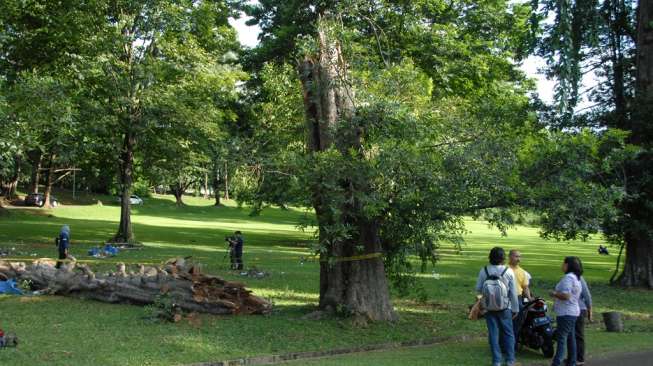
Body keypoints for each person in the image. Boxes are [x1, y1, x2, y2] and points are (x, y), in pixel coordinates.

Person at [475, 247, 520, 366]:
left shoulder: (484, 270)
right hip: (505, 308)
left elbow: (478, 289)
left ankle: (496, 361)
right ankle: (510, 360)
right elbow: (513, 293)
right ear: (503, 258)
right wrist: (515, 309)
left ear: (490, 257)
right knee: (509, 333)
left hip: (489, 308)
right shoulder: (508, 271)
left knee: (493, 334)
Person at [550, 256, 582, 366]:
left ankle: (557, 362)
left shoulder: (568, 278)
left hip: (566, 312)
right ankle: (572, 361)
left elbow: (566, 295)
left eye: (563, 263)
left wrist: (554, 294)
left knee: (562, 338)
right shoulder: (576, 278)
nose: (562, 265)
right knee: (570, 337)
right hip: (572, 311)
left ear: (568, 265)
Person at [567, 258, 592, 366]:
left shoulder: (579, 279)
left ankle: (579, 358)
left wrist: (590, 310)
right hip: (573, 309)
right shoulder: (571, 278)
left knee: (578, 334)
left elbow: (587, 296)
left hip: (579, 309)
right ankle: (572, 357)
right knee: (572, 334)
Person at [508, 249, 532, 351]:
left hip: (518, 299)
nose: (518, 259)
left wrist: (530, 298)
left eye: (519, 257)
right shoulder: (504, 269)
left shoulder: (522, 272)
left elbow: (525, 287)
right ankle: (504, 345)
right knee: (506, 323)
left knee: (517, 324)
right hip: (506, 299)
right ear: (510, 257)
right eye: (516, 256)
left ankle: (512, 346)